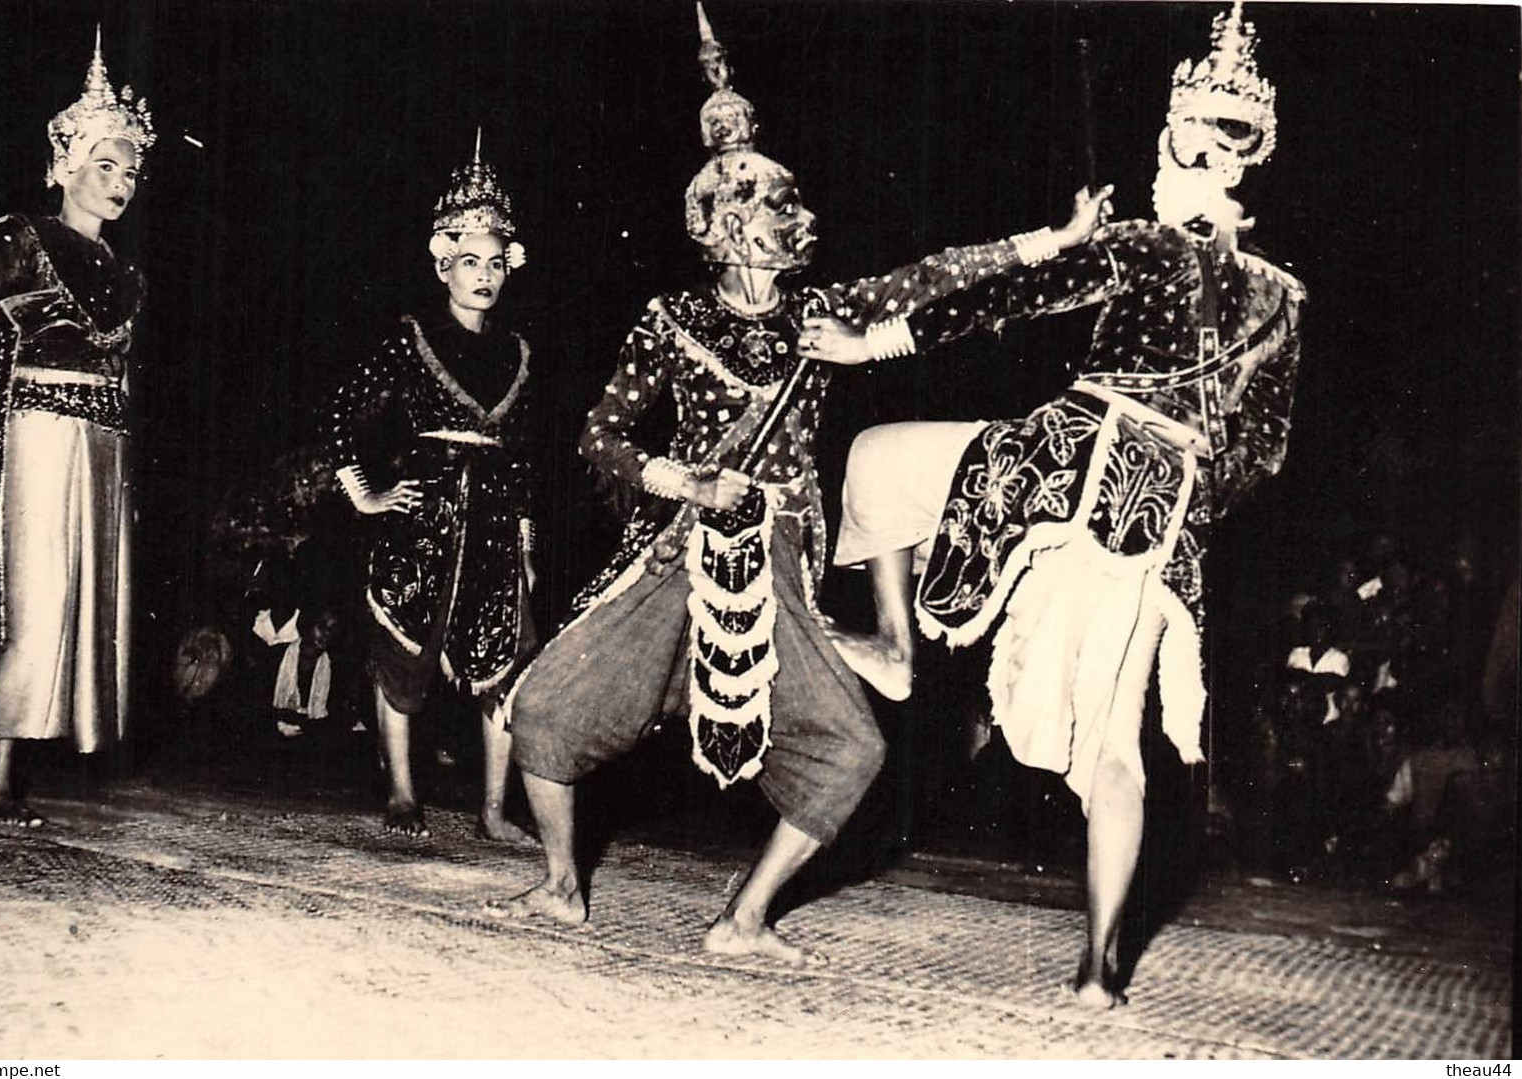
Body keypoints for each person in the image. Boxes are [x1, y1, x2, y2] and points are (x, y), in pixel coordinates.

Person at [487, 4, 1107, 965]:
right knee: (546, 708)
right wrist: (688, 481)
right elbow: (599, 437)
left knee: (852, 750)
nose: (786, 228)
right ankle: (563, 887)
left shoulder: (823, 312)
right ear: (723, 229)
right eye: (766, 215)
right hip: (677, 547)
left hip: (778, 553)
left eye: (787, 212)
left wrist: (1050, 242)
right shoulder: (670, 318)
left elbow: (933, 276)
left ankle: (742, 919)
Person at [814, 2, 1305, 1004]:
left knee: (874, 458)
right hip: (1160, 513)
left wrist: (870, 346)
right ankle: (1095, 973)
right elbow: (1260, 449)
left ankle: (899, 650)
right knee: (1116, 746)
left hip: (1059, 458)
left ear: (1183, 141)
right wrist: (1176, 497)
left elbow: (1000, 298)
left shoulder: (1142, 240)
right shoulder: (1280, 296)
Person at [0, 31, 156, 826]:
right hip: (41, 434)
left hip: (105, 442)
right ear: (65, 165)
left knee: (84, 603)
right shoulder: (23, 233)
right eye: (105, 165)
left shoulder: (128, 273)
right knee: (37, 599)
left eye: (130, 170)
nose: (119, 182)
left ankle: (5, 775)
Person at [321, 134, 538, 844]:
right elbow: (342, 412)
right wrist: (367, 494)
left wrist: (526, 541)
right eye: (469, 261)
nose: (484, 275)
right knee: (402, 657)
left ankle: (494, 810)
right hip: (423, 521)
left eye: (496, 262)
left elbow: (525, 454)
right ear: (444, 263)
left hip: (497, 526)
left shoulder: (518, 351)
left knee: (504, 665)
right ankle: (403, 795)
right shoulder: (411, 335)